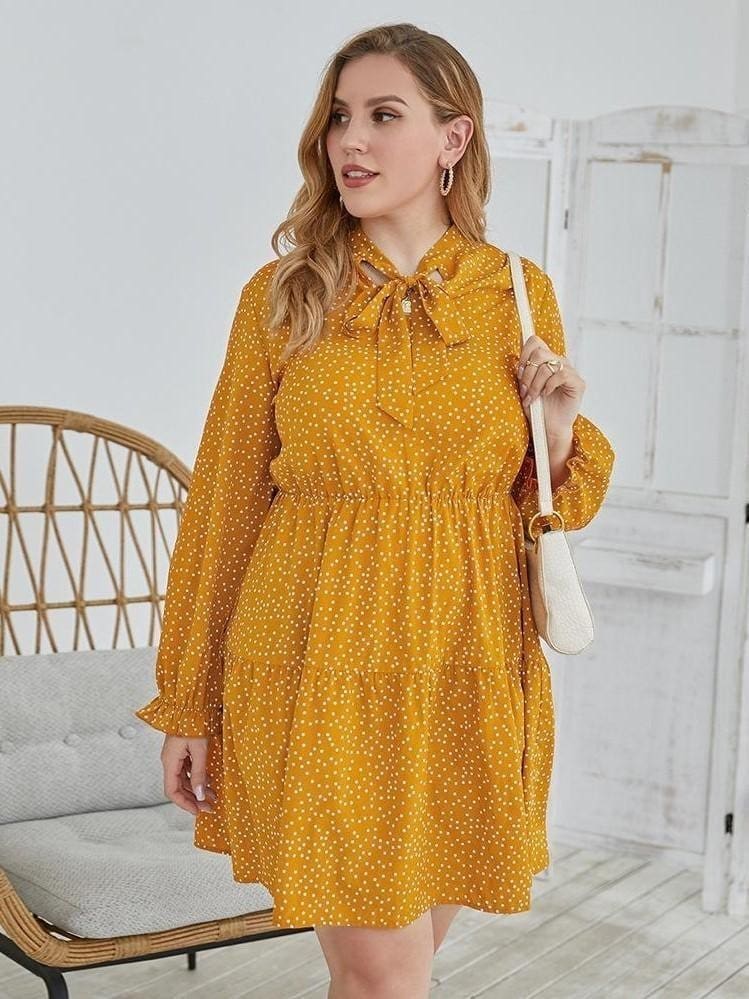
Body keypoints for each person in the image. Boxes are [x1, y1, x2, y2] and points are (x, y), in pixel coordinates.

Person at [134, 21, 615, 999]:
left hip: (468, 666)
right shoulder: (281, 297)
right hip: (319, 660)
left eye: (382, 115)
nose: (348, 141)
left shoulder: (514, 293)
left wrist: (560, 428)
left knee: (390, 973)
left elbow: (537, 509)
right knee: (386, 979)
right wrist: (188, 699)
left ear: (452, 137)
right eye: (338, 117)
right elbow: (224, 503)